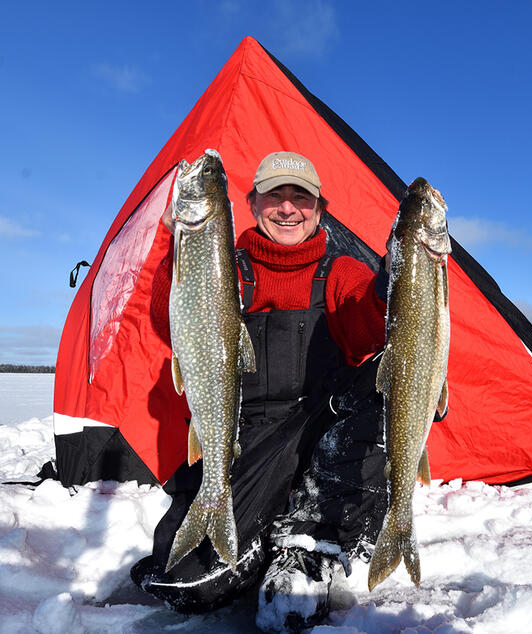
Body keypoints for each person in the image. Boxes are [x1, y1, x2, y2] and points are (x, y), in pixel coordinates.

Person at [131, 151, 392, 630]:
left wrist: (390, 285)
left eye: (301, 199)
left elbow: (367, 326)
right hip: (244, 440)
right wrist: (178, 242)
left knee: (386, 390)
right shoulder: (221, 266)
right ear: (252, 204)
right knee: (194, 586)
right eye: (276, 197)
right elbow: (170, 324)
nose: (288, 209)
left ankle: (309, 545)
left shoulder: (340, 271)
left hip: (317, 434)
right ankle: (256, 533)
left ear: (320, 209)